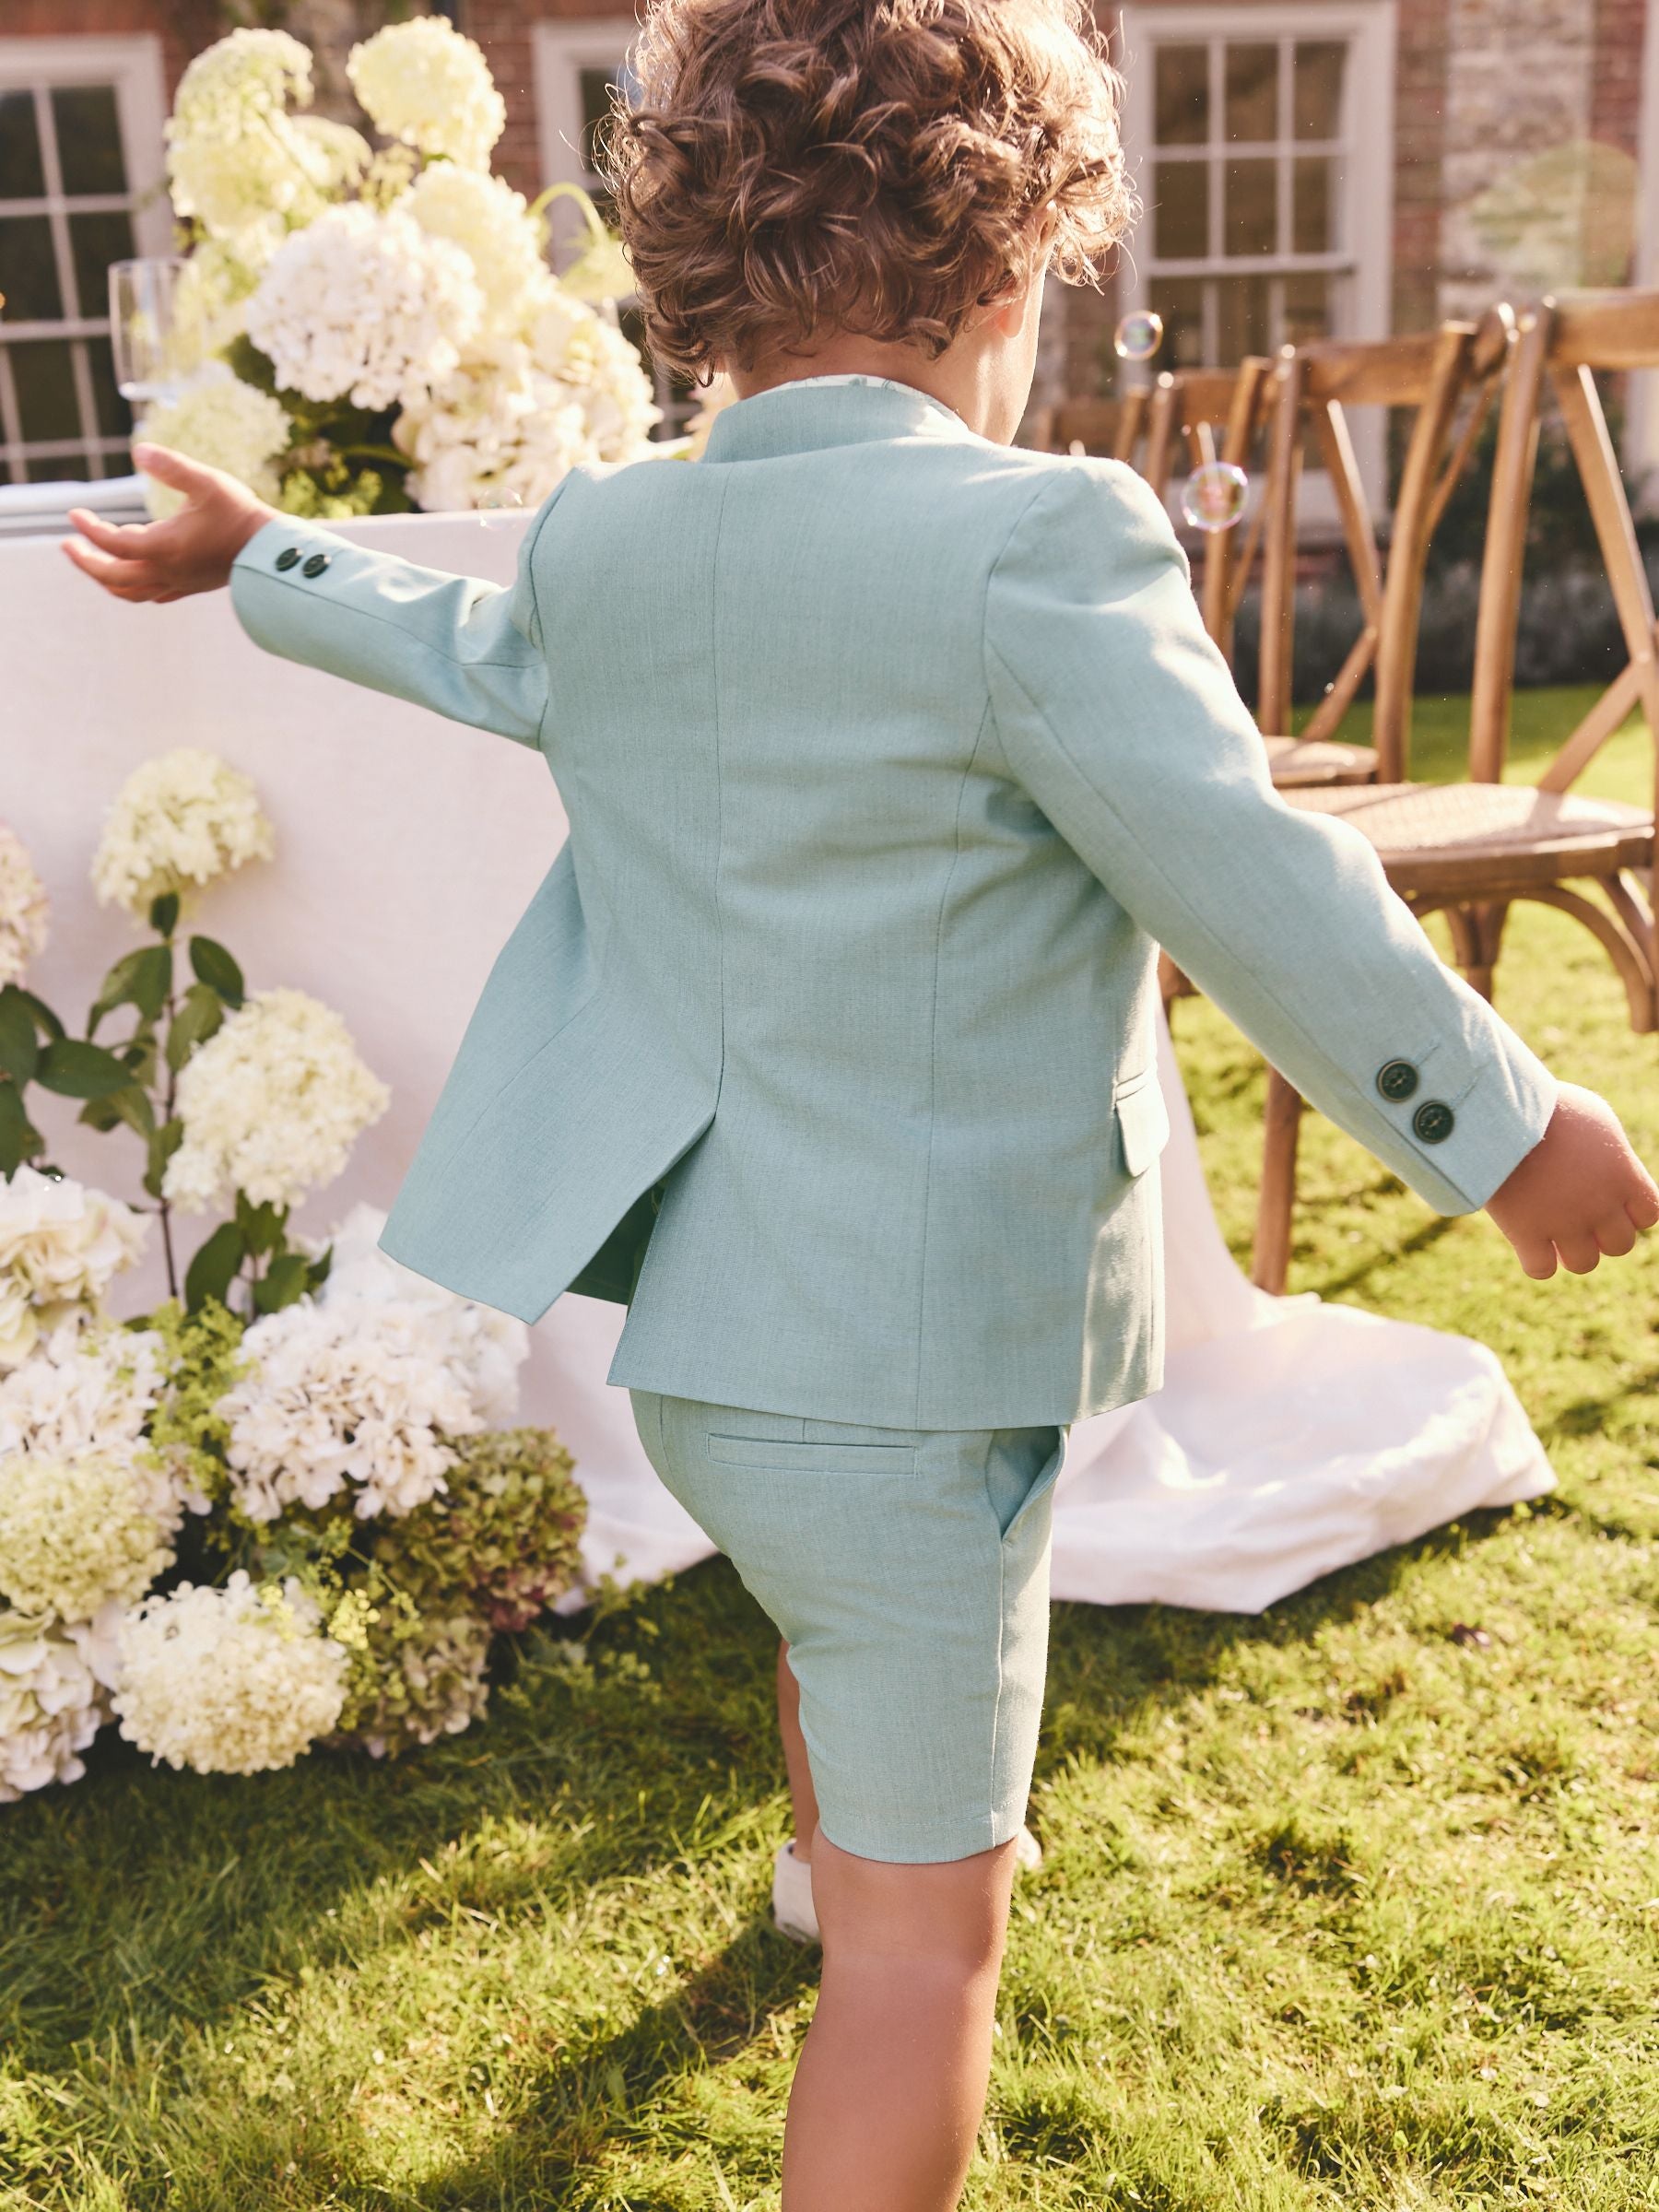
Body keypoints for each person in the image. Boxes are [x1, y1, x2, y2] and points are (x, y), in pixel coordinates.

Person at [64, 2, 1656, 2203]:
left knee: (832, 1637)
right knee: (935, 1954)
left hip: (712, 1348)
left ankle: (831, 1867)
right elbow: (1268, 889)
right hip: (921, 1375)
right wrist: (1511, 1127)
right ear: (1008, 277)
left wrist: (260, 558)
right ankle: (871, 1915)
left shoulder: (614, 542)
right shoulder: (1042, 546)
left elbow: (474, 648)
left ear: (696, 275)